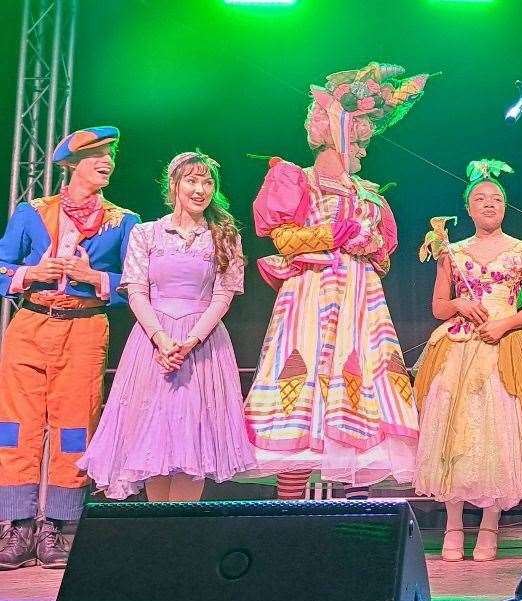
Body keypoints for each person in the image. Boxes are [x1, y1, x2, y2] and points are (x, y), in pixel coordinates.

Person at [243, 63, 429, 499]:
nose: (363, 145)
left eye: (366, 136)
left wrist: (365, 244)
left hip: (359, 299)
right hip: (311, 292)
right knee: (303, 396)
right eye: (358, 135)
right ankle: (289, 515)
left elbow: (382, 254)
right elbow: (283, 237)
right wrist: (332, 235)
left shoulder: (369, 193)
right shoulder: (297, 178)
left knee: (357, 392)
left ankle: (351, 522)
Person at [0, 127, 139, 569]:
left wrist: (95, 277)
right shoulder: (31, 213)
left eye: (111, 155)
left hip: (84, 328)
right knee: (12, 428)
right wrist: (30, 275)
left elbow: (136, 284)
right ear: (72, 165)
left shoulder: (123, 221)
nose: (107, 162)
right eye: (97, 154)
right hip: (30, 323)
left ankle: (59, 528)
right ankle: (15, 526)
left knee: (75, 429)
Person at [80, 151, 255, 501]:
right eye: (192, 180)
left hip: (202, 344)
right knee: (152, 438)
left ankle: (183, 532)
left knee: (193, 441)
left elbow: (223, 297)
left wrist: (190, 341)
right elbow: (136, 292)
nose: (200, 189)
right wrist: (161, 340)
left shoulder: (225, 236)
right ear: (174, 184)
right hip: (152, 342)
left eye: (207, 182)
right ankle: (157, 528)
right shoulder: (146, 233)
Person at [413, 160, 522, 561]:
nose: (489, 203)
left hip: (504, 345)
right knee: (454, 429)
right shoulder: (451, 252)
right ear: (468, 208)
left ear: (505, 206)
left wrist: (503, 324)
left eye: (496, 198)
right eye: (480, 198)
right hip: (458, 346)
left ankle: (489, 526)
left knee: (499, 433)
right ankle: (453, 524)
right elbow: (438, 306)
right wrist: (460, 303)